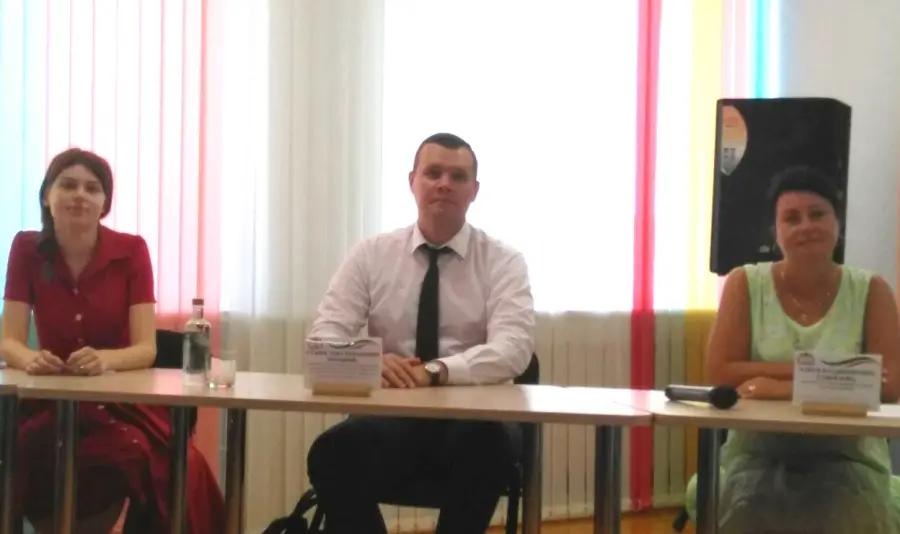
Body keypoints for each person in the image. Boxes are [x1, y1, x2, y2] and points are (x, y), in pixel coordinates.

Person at [305, 133, 535, 534]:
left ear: (474, 191)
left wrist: (437, 371)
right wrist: (369, 361)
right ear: (412, 181)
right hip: (392, 416)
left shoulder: (503, 261)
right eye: (433, 173)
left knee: (485, 446)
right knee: (331, 453)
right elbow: (323, 339)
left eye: (458, 176)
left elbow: (514, 348)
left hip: (476, 421)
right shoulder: (371, 255)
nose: (444, 184)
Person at [0, 148, 225, 534]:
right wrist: (28, 359)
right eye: (68, 185)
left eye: (92, 188)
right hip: (51, 395)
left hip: (120, 400)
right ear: (47, 196)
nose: (80, 195)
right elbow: (8, 340)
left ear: (104, 203)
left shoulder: (132, 250)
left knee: (164, 462)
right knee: (25, 451)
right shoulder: (26, 248)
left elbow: (146, 349)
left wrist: (104, 359)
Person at [683, 165, 900, 534]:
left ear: (837, 224)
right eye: (792, 218)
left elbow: (889, 383)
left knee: (843, 517)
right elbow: (721, 372)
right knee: (751, 511)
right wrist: (837, 375)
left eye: (817, 214)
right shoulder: (744, 283)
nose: (806, 226)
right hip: (756, 459)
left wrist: (782, 385)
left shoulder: (872, 290)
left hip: (849, 462)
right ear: (776, 233)